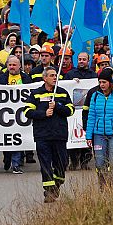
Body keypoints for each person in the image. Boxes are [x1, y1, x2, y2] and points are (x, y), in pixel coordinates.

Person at [25, 66, 74, 203]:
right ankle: (49, 191)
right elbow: (27, 111)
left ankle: (57, 184)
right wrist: (43, 113)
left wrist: (57, 106)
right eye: (51, 75)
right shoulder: (36, 93)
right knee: (45, 163)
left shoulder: (62, 93)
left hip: (59, 134)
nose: (54, 78)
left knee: (62, 163)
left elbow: (70, 110)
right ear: (44, 78)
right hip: (42, 135)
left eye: (55, 75)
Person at [0, 56, 33, 173]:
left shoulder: (26, 79)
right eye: (10, 65)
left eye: (14, 65)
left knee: (16, 140)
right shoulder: (1, 78)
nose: (12, 67)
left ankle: (16, 164)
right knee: (3, 139)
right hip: (3, 115)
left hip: (19, 116)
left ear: (19, 66)